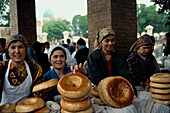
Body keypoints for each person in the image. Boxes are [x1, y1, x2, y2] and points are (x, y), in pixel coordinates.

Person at [87, 27, 136, 95]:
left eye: (112, 40)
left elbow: (126, 76)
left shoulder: (119, 58)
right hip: (100, 91)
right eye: (107, 41)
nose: (110, 43)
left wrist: (133, 92)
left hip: (118, 90)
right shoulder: (93, 56)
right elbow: (95, 78)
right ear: (101, 41)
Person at [0, 34, 44, 106]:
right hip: (5, 109)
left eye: (20, 47)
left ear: (26, 49)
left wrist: (42, 93)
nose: (17, 51)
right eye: (13, 47)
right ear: (8, 50)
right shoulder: (2, 67)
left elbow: (38, 94)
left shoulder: (35, 68)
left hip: (28, 108)